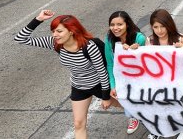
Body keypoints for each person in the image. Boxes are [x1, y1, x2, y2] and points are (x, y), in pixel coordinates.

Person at [15, 10, 111, 139]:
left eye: (59, 31)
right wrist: (38, 19)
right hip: (79, 87)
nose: (55, 34)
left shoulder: (89, 47)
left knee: (129, 106)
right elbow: (20, 39)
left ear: (71, 31)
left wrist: (105, 97)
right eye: (53, 31)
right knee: (78, 124)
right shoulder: (54, 43)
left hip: (99, 85)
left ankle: (135, 116)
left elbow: (102, 72)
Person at [104, 11, 146, 135]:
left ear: (127, 24)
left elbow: (145, 62)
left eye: (119, 24)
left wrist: (135, 51)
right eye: (112, 24)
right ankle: (133, 117)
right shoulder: (109, 39)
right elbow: (110, 63)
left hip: (139, 76)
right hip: (122, 77)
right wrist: (113, 85)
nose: (115, 28)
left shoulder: (139, 38)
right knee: (125, 98)